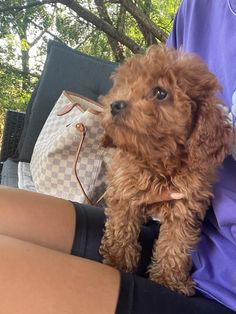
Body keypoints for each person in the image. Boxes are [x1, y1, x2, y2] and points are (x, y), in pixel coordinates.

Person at [0, 0, 235, 313]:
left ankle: (164, 273)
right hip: (200, 238)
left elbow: (185, 212)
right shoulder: (200, 8)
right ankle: (121, 258)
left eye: (161, 94)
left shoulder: (206, 138)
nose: (123, 101)